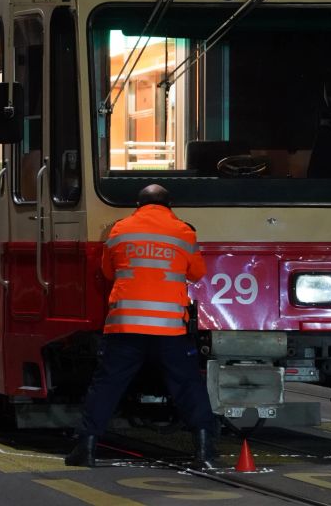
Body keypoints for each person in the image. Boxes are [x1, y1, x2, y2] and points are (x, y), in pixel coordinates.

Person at [65, 184, 218, 469]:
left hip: (126, 326)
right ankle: (204, 451)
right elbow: (197, 273)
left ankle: (85, 448)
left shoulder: (120, 229)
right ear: (169, 206)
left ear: (138, 205)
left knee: (107, 386)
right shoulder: (183, 232)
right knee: (188, 385)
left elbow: (107, 271)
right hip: (169, 329)